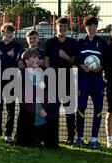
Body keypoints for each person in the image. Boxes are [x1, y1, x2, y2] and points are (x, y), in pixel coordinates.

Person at [72, 16, 108, 150]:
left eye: (93, 25)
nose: (91, 28)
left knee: (98, 108)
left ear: (96, 27)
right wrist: (81, 66)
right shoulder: (80, 42)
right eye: (88, 26)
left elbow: (107, 60)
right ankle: (80, 138)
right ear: (85, 27)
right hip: (83, 80)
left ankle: (94, 139)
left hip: (97, 80)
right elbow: (75, 60)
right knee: (81, 107)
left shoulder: (102, 43)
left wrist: (101, 66)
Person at [15, 49, 59, 148]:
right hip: (29, 105)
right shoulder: (22, 73)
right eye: (34, 58)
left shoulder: (43, 71)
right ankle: (31, 140)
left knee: (51, 111)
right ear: (26, 60)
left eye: (38, 58)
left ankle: (47, 141)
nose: (37, 60)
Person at [44, 17, 77, 145]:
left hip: (67, 77)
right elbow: (46, 62)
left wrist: (65, 56)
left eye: (65, 26)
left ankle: (71, 138)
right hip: (53, 79)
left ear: (67, 28)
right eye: (60, 26)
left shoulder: (72, 42)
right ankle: (53, 138)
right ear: (55, 26)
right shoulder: (50, 42)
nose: (62, 28)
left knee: (69, 109)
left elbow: (73, 61)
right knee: (53, 109)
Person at [0, 23, 22, 142]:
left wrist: (2, 55)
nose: (9, 34)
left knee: (11, 107)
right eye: (6, 32)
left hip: (11, 78)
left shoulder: (17, 45)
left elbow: (16, 60)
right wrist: (7, 55)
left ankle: (8, 133)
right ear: (2, 32)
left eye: (11, 32)